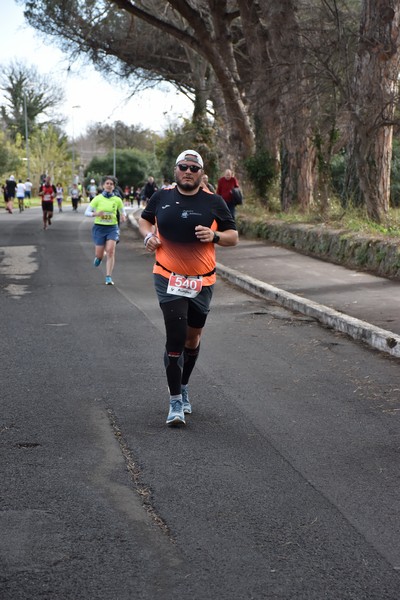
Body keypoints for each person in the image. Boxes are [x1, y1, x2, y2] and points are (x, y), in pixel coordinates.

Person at [139, 149, 238, 426]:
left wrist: (215, 235)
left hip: (202, 280)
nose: (188, 171)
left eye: (194, 168)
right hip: (167, 276)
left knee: (192, 340)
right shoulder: (162, 197)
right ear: (175, 170)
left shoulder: (214, 202)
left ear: (201, 174)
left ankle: (183, 386)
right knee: (176, 335)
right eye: (184, 166)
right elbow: (145, 219)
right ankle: (174, 404)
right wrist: (148, 235)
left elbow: (234, 237)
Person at [85, 175, 126, 286]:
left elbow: (123, 211)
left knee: (111, 251)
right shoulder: (97, 199)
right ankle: (99, 257)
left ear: (114, 186)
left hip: (112, 227)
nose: (109, 185)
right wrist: (95, 214)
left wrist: (123, 215)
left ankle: (108, 276)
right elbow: (87, 212)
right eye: (107, 183)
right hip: (99, 227)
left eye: (111, 184)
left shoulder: (117, 199)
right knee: (99, 254)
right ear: (103, 185)